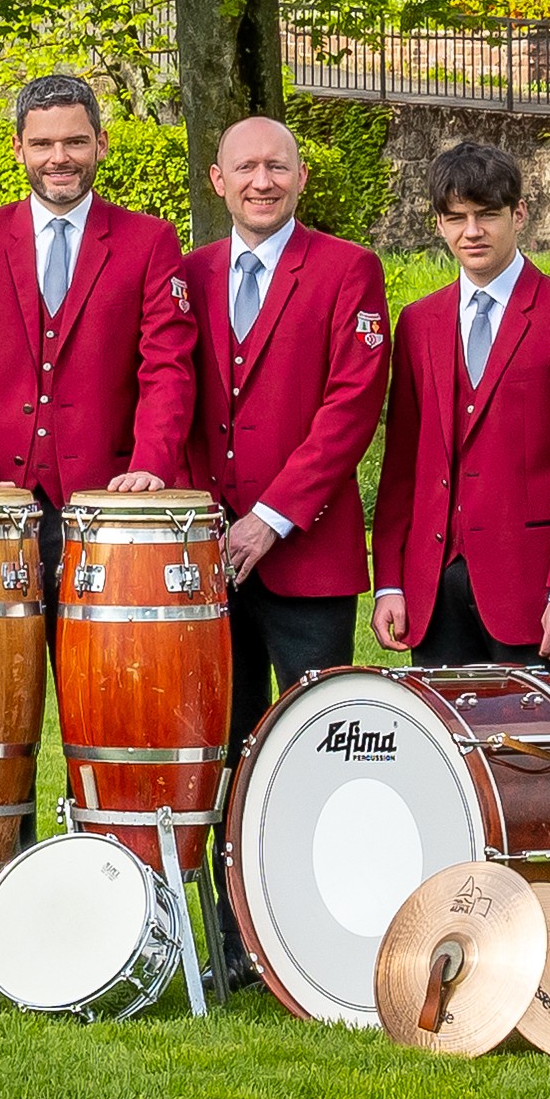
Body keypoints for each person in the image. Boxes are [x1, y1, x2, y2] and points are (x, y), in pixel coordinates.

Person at [187, 116, 392, 862]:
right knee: (221, 745)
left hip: (308, 559)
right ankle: (234, 933)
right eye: (244, 168)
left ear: (302, 177)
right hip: (206, 556)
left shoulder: (348, 270)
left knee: (319, 748)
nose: (261, 181)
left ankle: (316, 912)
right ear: (219, 180)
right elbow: (170, 398)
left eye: (277, 166)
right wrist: (196, 515)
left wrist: (271, 518)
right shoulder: (189, 273)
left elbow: (352, 404)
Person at [370, 141, 550, 692]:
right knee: (447, 765)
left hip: (533, 592)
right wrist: (389, 581)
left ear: (519, 214)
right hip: (432, 591)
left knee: (535, 763)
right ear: (439, 225)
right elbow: (402, 470)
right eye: (456, 218)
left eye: (487, 215)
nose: (472, 232)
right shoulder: (418, 322)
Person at [0, 72, 201, 549]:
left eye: (75, 142)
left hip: (109, 499)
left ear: (101, 144)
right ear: (18, 148)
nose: (59, 158)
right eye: (42, 143)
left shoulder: (149, 241)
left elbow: (168, 367)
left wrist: (151, 465)